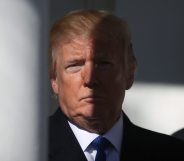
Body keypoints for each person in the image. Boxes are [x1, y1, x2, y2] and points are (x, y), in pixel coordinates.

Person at [48, 9, 184, 161]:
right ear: (54, 79)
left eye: (103, 64)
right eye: (75, 65)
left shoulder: (173, 153)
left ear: (129, 74)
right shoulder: (27, 147)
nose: (90, 79)